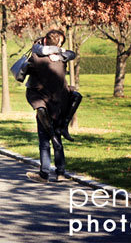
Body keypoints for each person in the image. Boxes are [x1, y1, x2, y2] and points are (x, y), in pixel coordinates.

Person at [24, 29, 79, 183]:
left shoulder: (36, 58)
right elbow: (70, 53)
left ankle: (44, 174)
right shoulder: (63, 58)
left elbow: (25, 70)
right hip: (60, 104)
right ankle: (61, 173)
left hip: (43, 103)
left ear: (46, 42)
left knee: (44, 140)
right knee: (57, 137)